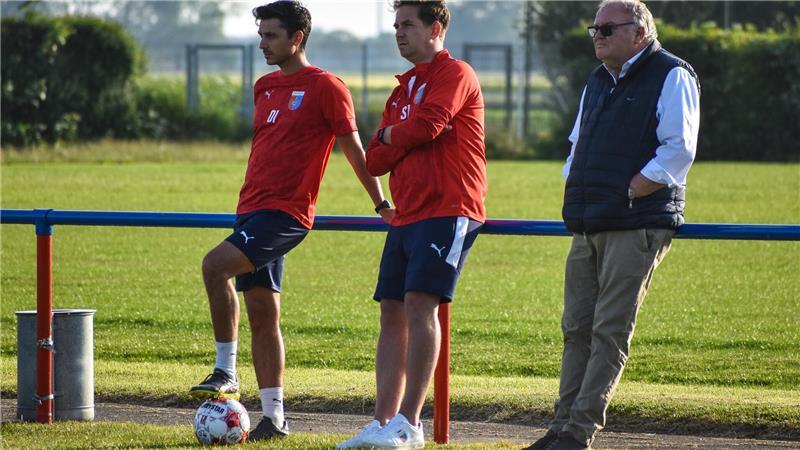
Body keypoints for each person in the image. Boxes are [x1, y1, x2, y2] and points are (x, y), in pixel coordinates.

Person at [188, 0, 393, 443]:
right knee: (264, 314)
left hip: (286, 214)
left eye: (271, 36)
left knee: (213, 265)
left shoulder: (327, 87)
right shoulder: (264, 87)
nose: (263, 43)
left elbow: (356, 153)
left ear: (296, 38)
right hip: (251, 210)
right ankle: (274, 419)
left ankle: (225, 370)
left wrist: (382, 204)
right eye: (261, 35)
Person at [524, 1, 700, 449]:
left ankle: (579, 433)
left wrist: (628, 191)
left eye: (607, 28)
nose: (597, 35)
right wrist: (579, 186)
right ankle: (559, 428)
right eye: (594, 28)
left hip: (636, 222)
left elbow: (678, 149)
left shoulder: (672, 74)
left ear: (640, 32)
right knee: (576, 328)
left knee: (608, 330)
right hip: (591, 221)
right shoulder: (598, 79)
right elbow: (576, 144)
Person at [336, 1, 487, 449]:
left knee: (421, 304)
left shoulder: (456, 73)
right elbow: (376, 161)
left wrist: (389, 134)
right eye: (395, 25)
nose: (398, 33)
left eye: (407, 24)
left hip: (450, 208)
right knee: (391, 311)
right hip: (407, 213)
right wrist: (395, 136)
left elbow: (429, 126)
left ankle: (410, 424)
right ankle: (382, 424)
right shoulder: (402, 90)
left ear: (435, 27)